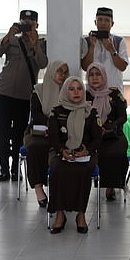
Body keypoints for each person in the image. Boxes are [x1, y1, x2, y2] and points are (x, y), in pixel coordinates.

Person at [0, 9, 48, 182]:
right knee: (1, 131)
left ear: (36, 25)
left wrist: (35, 44)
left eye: (30, 24)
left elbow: (43, 63)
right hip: (3, 92)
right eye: (23, 22)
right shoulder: (12, 41)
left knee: (19, 133)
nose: (27, 26)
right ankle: (3, 167)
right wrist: (8, 35)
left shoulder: (42, 43)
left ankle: (16, 168)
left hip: (25, 95)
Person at [47, 77, 102, 234]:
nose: (76, 92)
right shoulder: (56, 111)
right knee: (57, 169)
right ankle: (59, 214)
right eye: (71, 89)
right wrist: (62, 150)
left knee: (83, 170)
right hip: (61, 152)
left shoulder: (90, 112)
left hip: (85, 153)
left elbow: (97, 138)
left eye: (79, 88)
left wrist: (87, 150)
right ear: (65, 91)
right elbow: (53, 136)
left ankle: (81, 214)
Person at [24, 61, 69, 207]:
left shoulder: (69, 90)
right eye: (59, 71)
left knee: (63, 146)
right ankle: (38, 188)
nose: (62, 75)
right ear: (51, 72)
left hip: (61, 131)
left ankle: (61, 188)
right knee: (36, 147)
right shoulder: (38, 90)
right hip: (39, 130)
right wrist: (51, 125)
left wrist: (56, 128)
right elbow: (36, 115)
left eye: (65, 72)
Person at [86, 62, 128, 201]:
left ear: (104, 76)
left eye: (98, 74)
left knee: (116, 152)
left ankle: (111, 185)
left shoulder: (114, 93)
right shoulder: (85, 95)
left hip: (113, 134)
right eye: (91, 75)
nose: (95, 78)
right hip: (91, 135)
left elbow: (123, 116)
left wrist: (110, 127)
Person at [81, 7, 129, 90]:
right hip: (93, 92)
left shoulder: (119, 41)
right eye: (100, 20)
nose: (103, 23)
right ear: (95, 22)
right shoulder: (87, 41)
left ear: (112, 23)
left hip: (113, 91)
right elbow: (85, 67)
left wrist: (112, 49)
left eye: (107, 20)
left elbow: (122, 67)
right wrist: (92, 47)